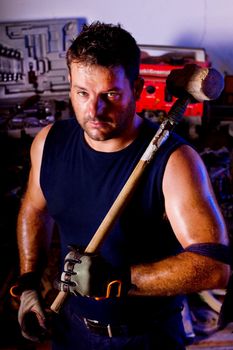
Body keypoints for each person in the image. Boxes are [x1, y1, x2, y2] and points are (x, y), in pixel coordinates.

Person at [15, 21, 231, 350]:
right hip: (69, 328)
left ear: (136, 86)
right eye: (82, 93)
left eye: (111, 94)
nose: (94, 110)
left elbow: (214, 267)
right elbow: (34, 210)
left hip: (144, 337)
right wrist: (29, 282)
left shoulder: (174, 161)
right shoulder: (49, 143)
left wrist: (120, 280)